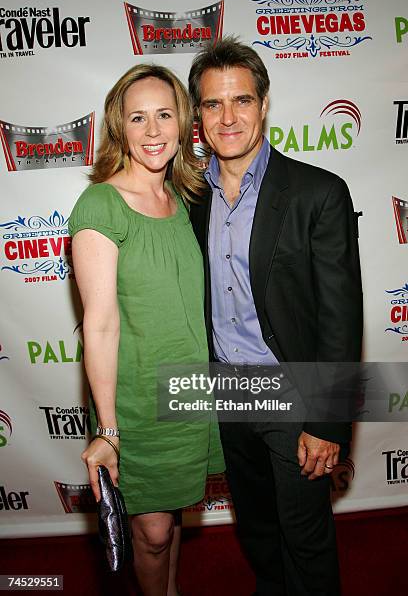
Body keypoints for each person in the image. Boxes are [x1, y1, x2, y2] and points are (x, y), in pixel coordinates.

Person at [188, 37, 363, 596]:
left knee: (305, 537)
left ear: (264, 104)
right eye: (213, 104)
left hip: (294, 393)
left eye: (241, 100)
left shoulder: (319, 192)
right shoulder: (189, 198)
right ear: (199, 115)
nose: (228, 117)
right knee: (258, 529)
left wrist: (327, 421)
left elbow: (340, 318)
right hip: (227, 391)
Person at [68, 64, 224, 596]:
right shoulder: (101, 205)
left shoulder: (185, 200)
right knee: (153, 531)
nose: (153, 131)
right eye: (139, 118)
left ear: (183, 123)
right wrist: (108, 431)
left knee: (169, 519)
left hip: (189, 394)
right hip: (135, 403)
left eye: (165, 115)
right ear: (120, 127)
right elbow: (102, 324)